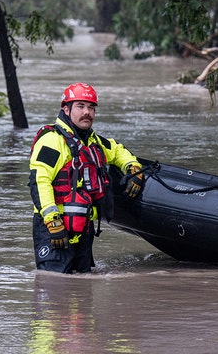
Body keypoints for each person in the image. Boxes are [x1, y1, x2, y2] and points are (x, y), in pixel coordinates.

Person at [29, 82, 144, 274]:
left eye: (91, 107)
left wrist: (133, 168)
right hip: (54, 228)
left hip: (83, 228)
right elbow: (39, 182)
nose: (87, 112)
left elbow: (117, 150)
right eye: (80, 106)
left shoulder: (93, 141)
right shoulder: (52, 140)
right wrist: (52, 221)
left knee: (81, 292)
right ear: (66, 109)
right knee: (52, 287)